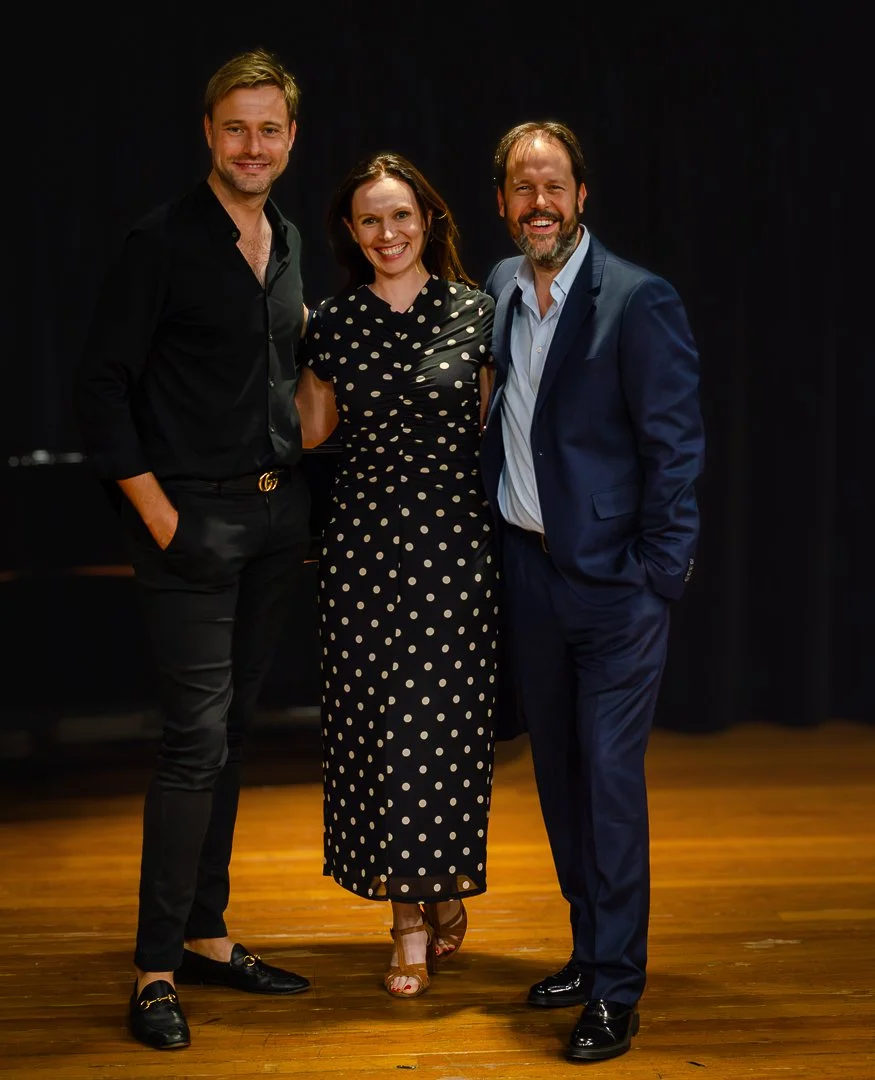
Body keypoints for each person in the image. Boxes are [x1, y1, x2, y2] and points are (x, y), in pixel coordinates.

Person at [74, 48, 314, 1051]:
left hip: (271, 522)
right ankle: (153, 970)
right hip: (191, 522)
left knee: (233, 737)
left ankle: (208, 935)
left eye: (269, 129)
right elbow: (99, 390)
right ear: (207, 134)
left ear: (290, 139)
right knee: (191, 746)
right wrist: (159, 516)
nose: (251, 146)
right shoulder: (160, 241)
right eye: (234, 128)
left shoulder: (291, 237)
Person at [479, 121, 705, 1062]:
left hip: (615, 589)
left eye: (554, 186)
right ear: (502, 201)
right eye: (522, 188)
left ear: (581, 196)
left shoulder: (637, 299)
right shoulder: (496, 287)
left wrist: (658, 574)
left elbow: (675, 447)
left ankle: (615, 988)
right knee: (562, 781)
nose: (539, 203)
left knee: (609, 783)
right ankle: (586, 948)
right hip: (528, 575)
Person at [294, 151, 498, 999]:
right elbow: (309, 434)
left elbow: (493, 425)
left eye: (401, 216)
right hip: (363, 555)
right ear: (351, 231)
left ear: (429, 221)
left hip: (454, 551)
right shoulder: (332, 321)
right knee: (378, 741)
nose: (388, 233)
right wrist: (278, 336)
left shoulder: (478, 312)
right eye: (370, 220)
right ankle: (406, 920)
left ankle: (440, 886)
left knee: (444, 741)